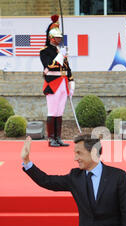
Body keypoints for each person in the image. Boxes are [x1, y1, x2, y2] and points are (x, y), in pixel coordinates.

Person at [40, 15, 75, 147]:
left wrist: (71, 84)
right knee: (52, 111)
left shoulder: (61, 51)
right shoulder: (45, 51)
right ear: (51, 38)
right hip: (52, 84)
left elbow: (67, 68)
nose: (60, 39)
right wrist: (61, 55)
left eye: (60, 37)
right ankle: (51, 139)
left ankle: (58, 137)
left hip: (63, 84)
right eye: (57, 37)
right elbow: (49, 65)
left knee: (60, 112)